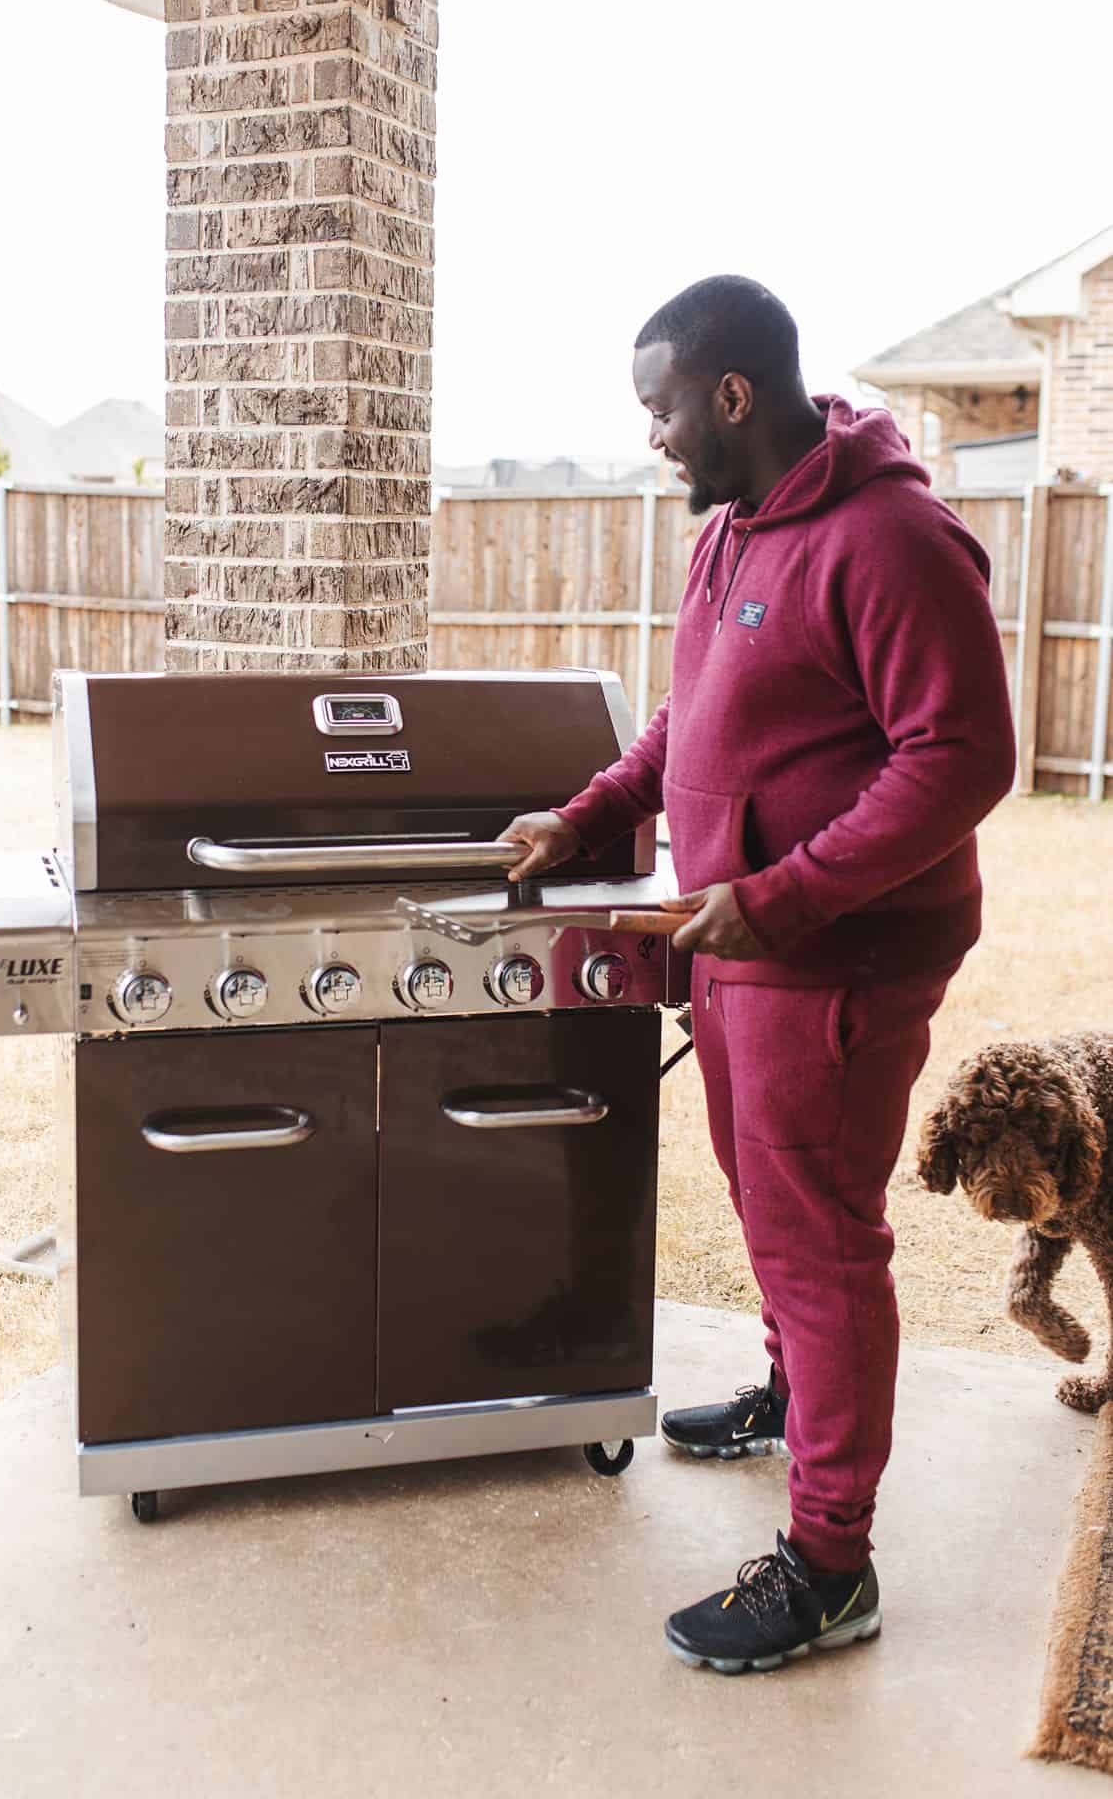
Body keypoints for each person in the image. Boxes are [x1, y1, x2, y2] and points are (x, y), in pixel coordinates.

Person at [499, 275, 1016, 1676]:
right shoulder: (733, 527)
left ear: (731, 396)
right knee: (769, 1199)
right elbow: (697, 716)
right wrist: (592, 810)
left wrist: (781, 898)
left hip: (832, 954)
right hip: (736, 941)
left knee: (819, 1239)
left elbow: (961, 762)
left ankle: (829, 1566)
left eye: (661, 411)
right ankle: (797, 1396)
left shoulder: (893, 538)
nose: (652, 438)